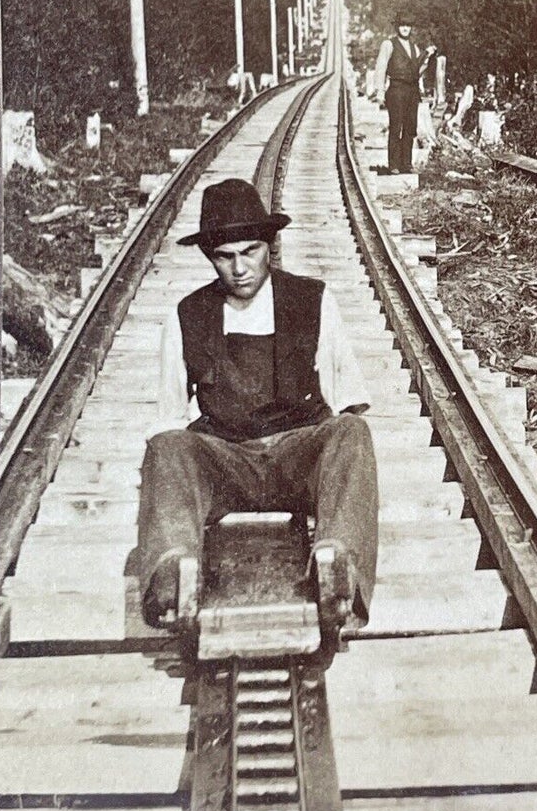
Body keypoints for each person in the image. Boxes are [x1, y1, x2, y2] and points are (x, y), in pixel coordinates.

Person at [134, 178, 378, 638]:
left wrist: (337, 480)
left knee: (352, 432)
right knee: (166, 445)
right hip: (226, 462)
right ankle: (173, 574)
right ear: (211, 257)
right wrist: (171, 480)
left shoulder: (314, 301)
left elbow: (349, 401)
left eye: (250, 251)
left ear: (269, 246)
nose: (240, 268)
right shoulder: (186, 316)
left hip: (296, 455)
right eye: (225, 257)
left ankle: (339, 568)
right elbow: (169, 421)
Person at [373, 13, 424, 174]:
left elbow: (417, 71)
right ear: (397, 27)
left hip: (412, 91)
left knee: (410, 127)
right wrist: (380, 91)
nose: (405, 28)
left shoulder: (415, 48)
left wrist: (427, 59)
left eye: (408, 26)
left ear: (411, 28)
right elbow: (381, 67)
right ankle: (393, 164)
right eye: (402, 25)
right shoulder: (389, 44)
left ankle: (406, 164)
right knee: (396, 126)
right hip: (396, 89)